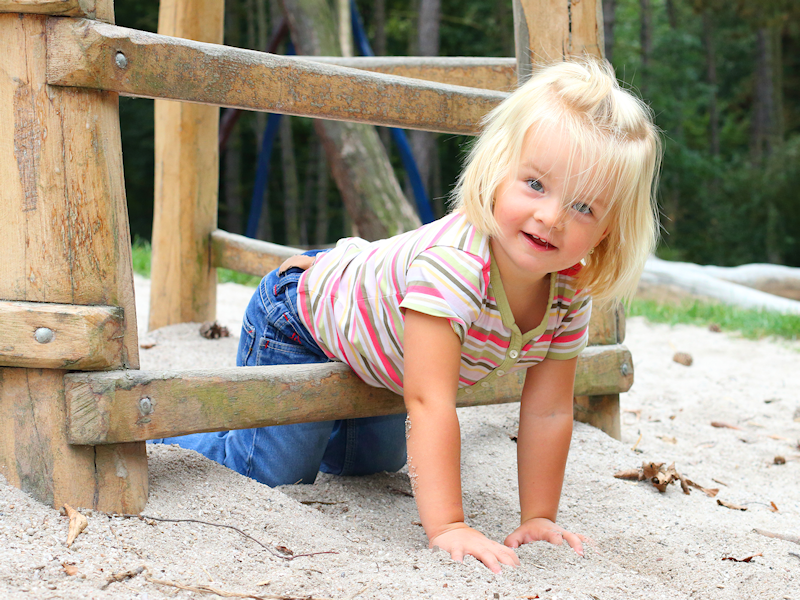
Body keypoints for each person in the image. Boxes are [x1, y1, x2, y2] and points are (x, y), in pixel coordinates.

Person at [153, 58, 661, 573]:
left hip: (382, 350)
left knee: (372, 464)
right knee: (276, 471)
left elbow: (549, 409)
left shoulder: (570, 289)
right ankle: (172, 433)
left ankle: (321, 419)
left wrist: (538, 516)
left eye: (583, 207)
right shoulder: (457, 266)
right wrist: (450, 526)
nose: (551, 216)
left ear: (608, 232)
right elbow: (429, 400)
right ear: (497, 170)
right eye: (535, 184)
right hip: (301, 317)